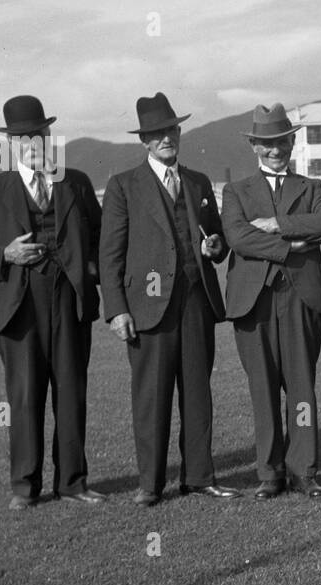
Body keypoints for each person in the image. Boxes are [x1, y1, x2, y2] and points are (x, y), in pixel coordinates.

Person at [0, 94, 105, 509]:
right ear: (11, 143)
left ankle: (73, 483)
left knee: (72, 392)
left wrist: (86, 272)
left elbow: (100, 239)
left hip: (70, 301)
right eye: (23, 137)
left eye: (38, 134)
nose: (32, 143)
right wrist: (5, 254)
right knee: (24, 398)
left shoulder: (74, 182)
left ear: (48, 135)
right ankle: (25, 487)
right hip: (19, 307)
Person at [100, 92, 237, 506]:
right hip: (148, 308)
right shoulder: (124, 186)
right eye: (157, 134)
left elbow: (217, 239)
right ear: (145, 141)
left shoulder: (197, 182)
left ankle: (199, 477)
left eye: (171, 130)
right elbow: (110, 253)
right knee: (151, 398)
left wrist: (216, 246)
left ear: (179, 132)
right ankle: (151, 485)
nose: (166, 139)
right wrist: (117, 309)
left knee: (198, 393)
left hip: (195, 301)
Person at [223, 103, 321, 500]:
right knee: (263, 387)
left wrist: (275, 225)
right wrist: (290, 247)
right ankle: (270, 473)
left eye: (281, 142)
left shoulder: (311, 187)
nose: (275, 150)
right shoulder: (235, 191)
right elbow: (237, 237)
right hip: (253, 302)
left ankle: (304, 471)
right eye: (267, 144)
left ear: (292, 141)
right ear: (255, 146)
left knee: (301, 385)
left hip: (301, 297)